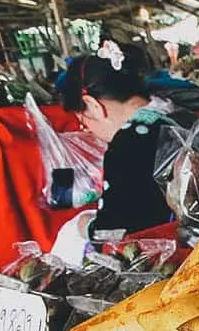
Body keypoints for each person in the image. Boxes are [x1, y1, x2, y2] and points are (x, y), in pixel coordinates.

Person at [59, 41, 182, 240]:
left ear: (93, 105)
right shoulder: (181, 115)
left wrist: (85, 226)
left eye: (83, 121)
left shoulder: (128, 144)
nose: (87, 130)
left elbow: (115, 232)